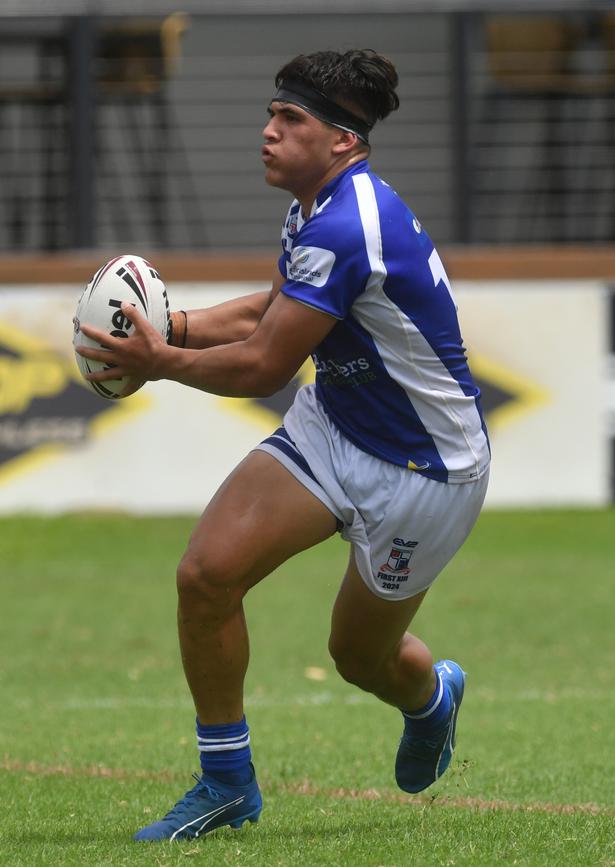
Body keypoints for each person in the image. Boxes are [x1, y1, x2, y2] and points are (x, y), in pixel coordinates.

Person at [77, 48, 491, 842]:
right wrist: (181, 324)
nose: (267, 131)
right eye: (271, 113)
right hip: (335, 424)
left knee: (360, 657)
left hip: (427, 471)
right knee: (205, 575)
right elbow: (278, 306)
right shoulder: (316, 206)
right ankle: (227, 781)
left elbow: (267, 362)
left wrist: (159, 361)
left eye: (288, 119)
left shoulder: (347, 224)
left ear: (342, 140)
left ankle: (430, 697)